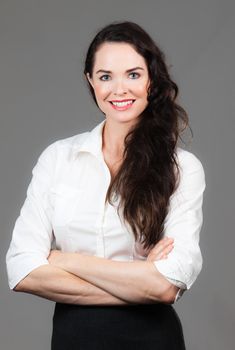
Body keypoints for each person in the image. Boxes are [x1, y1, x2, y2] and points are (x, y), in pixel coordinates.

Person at [6, 21, 206, 349]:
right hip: (73, 339)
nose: (119, 89)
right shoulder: (58, 158)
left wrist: (64, 260)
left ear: (151, 80)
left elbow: (167, 285)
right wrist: (139, 282)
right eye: (105, 76)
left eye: (133, 74)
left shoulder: (182, 168)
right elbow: (22, 269)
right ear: (90, 81)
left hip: (152, 340)